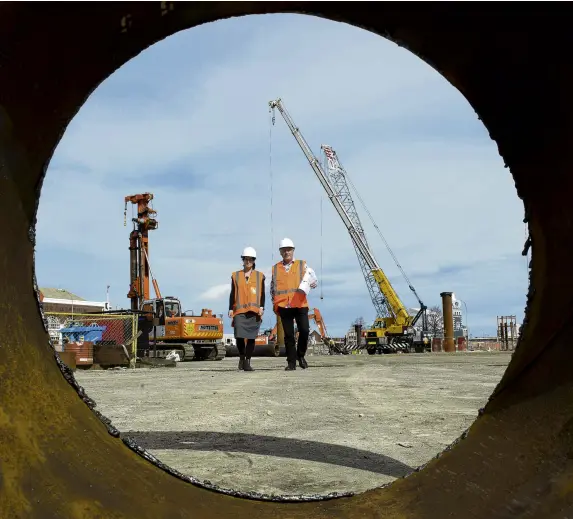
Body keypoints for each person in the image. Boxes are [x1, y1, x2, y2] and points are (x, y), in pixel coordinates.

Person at [270, 237, 318, 371]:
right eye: (284, 250)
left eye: (289, 250)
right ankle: (291, 362)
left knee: (304, 330)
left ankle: (300, 356)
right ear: (280, 252)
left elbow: (313, 279)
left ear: (293, 250)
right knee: (289, 335)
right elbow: (272, 288)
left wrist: (314, 283)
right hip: (284, 306)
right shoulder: (275, 268)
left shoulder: (302, 265)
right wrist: (275, 304)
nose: (286, 252)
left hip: (300, 304)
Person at [228, 246, 265, 372]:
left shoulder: (260, 276)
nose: (248, 261)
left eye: (250, 259)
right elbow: (232, 293)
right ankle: (242, 356)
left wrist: (262, 307)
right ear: (243, 260)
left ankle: (247, 361)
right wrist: (230, 308)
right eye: (246, 259)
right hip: (239, 311)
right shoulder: (236, 276)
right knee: (239, 335)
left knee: (251, 337)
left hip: (254, 312)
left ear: (254, 261)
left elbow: (263, 293)